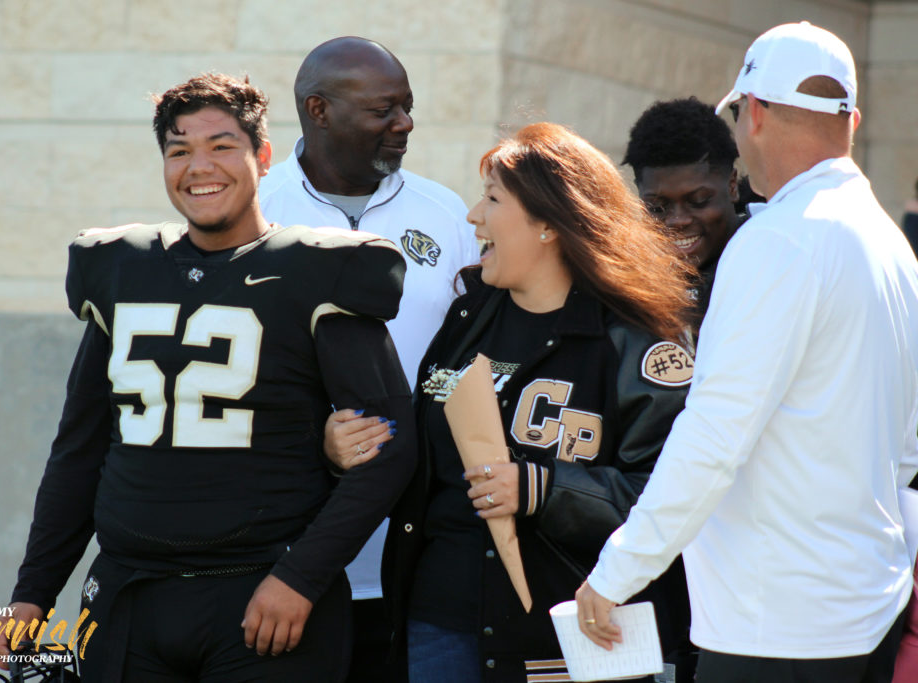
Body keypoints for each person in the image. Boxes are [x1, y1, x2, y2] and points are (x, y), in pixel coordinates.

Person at [0, 72, 416, 682]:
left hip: (262, 597)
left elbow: (390, 449)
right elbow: (80, 450)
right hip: (127, 596)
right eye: (179, 150)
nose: (199, 167)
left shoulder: (322, 270)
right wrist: (34, 591)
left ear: (262, 157)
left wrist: (302, 577)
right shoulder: (121, 268)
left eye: (221, 146)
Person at [577, 22, 918, 683]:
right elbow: (905, 448)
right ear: (852, 119)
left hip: (778, 625)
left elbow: (713, 434)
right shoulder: (890, 245)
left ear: (753, 113)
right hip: (868, 608)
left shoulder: (778, 240)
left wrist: (616, 572)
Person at [330, 121, 694, 682]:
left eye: (493, 199)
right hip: (437, 623)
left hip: (572, 634)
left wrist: (541, 488)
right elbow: (422, 457)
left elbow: (674, 496)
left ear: (549, 223)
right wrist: (348, 445)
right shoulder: (468, 315)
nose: (474, 216)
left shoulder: (637, 342)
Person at [258, 36, 477, 680]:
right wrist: (314, 437)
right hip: (285, 568)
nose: (404, 124)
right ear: (319, 111)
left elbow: (474, 366)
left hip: (419, 562)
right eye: (384, 110)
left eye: (407, 107)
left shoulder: (448, 214)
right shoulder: (257, 210)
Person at [623, 96, 742, 328]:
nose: (678, 220)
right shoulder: (627, 285)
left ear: (732, 186)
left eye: (698, 201)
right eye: (657, 207)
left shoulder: (765, 264)